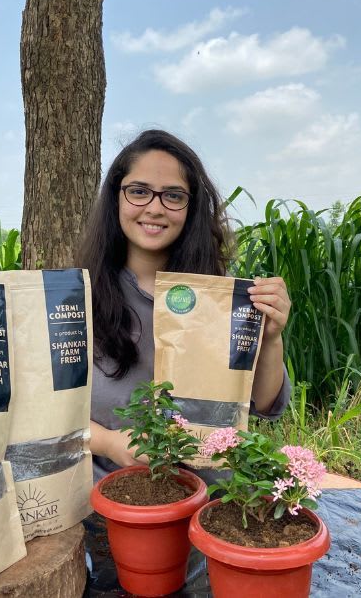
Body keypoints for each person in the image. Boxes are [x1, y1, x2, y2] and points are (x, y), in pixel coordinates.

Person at [77, 129, 292, 481]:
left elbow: (265, 406)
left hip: (206, 499)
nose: (155, 208)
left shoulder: (223, 298)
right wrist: (109, 442)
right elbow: (49, 410)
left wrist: (270, 337)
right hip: (113, 500)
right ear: (116, 196)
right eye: (139, 191)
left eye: (173, 196)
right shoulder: (80, 297)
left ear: (191, 208)